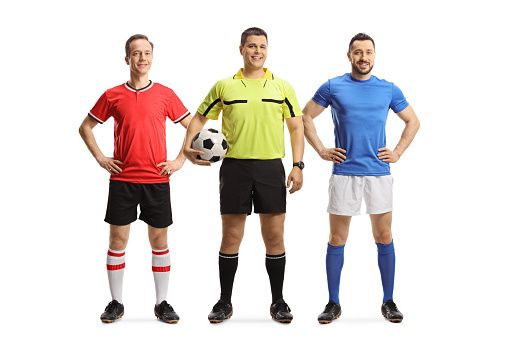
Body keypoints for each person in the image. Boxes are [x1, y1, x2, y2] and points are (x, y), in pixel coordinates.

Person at [183, 27, 304, 323]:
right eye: (251, 46)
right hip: (234, 168)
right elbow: (199, 118)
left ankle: (278, 301)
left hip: (270, 168)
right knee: (231, 236)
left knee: (274, 236)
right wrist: (187, 149)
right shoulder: (225, 86)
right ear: (241, 49)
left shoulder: (282, 87)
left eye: (262, 46)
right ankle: (225, 301)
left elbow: (297, 127)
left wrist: (298, 165)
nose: (257, 51)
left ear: (267, 50)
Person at [302, 33, 420, 324]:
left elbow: (413, 121)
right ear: (349, 56)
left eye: (368, 52)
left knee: (384, 236)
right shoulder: (334, 86)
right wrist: (320, 149)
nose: (363, 57)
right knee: (337, 238)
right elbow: (304, 116)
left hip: (378, 173)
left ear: (374, 56)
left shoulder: (387, 89)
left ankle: (389, 301)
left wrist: (398, 152)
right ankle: (333, 303)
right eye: (358, 52)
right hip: (344, 173)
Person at [78, 34, 192, 323]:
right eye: (136, 53)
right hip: (123, 180)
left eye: (147, 53)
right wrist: (101, 158)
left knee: (159, 239)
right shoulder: (112, 95)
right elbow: (85, 127)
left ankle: (162, 302)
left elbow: (193, 126)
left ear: (152, 58)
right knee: (118, 239)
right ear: (127, 59)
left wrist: (179, 160)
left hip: (157, 179)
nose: (142, 58)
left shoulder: (166, 94)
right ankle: (116, 302)